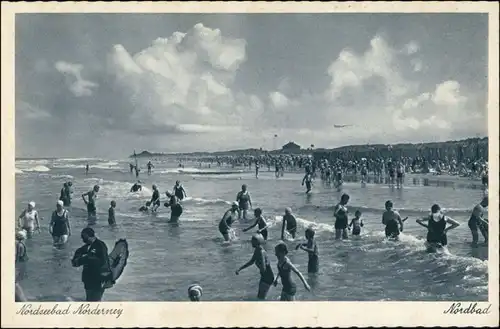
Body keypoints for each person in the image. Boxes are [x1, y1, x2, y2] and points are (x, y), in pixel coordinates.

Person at [71, 227, 111, 302]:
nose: (83, 240)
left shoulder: (100, 245)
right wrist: (76, 260)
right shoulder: (87, 246)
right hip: (88, 278)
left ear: (90, 236)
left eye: (84, 237)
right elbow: (78, 252)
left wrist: (86, 259)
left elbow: (103, 261)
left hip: (99, 278)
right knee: (89, 300)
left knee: (96, 300)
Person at [235, 234, 275, 300]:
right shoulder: (257, 250)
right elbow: (251, 261)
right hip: (265, 276)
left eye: (252, 241)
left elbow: (263, 268)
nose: (251, 242)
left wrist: (257, 264)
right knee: (260, 297)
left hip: (267, 277)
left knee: (261, 298)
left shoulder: (261, 252)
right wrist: (240, 269)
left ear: (257, 242)